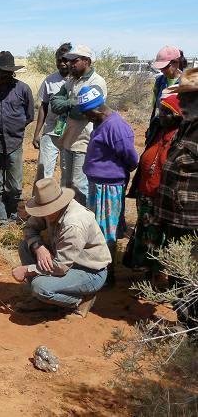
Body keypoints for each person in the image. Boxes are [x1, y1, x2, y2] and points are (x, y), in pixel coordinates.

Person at [12, 178, 111, 318]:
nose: (44, 214)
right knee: (25, 247)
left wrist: (28, 270)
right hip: (64, 260)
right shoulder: (49, 210)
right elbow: (29, 228)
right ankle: (43, 300)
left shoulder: (74, 224)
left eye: (46, 210)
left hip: (89, 272)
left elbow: (60, 267)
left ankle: (80, 301)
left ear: (58, 204)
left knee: (40, 287)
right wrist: (38, 247)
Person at [78, 86, 138, 284]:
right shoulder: (101, 123)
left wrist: (115, 175)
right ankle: (100, 269)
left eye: (87, 114)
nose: (86, 118)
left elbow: (131, 159)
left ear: (96, 110)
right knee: (97, 229)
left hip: (109, 187)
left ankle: (107, 275)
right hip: (98, 184)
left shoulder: (116, 127)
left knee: (107, 231)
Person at [126, 93, 183, 287]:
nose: (161, 115)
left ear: (177, 115)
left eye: (166, 112)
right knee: (145, 235)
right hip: (146, 194)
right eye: (160, 111)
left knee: (162, 238)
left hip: (164, 198)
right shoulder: (157, 130)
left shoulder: (180, 137)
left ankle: (159, 277)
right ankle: (143, 276)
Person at [50, 44, 107, 205]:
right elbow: (54, 103)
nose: (69, 64)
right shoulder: (72, 80)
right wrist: (72, 103)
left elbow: (80, 111)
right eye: (69, 60)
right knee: (66, 183)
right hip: (68, 139)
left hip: (85, 142)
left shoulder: (97, 82)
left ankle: (81, 222)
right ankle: (66, 220)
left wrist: (68, 105)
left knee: (79, 185)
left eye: (74, 60)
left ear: (87, 61)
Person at [0, 50, 34, 225]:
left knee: (15, 184)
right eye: (0, 71)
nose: (4, 75)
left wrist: (16, 128)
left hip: (15, 142)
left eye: (7, 72)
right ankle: (2, 217)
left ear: (13, 72)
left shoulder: (23, 89)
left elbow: (29, 116)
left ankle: (14, 214)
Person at [154, 68, 198, 248]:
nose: (179, 100)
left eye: (186, 97)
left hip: (191, 219)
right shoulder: (187, 125)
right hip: (175, 216)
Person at [32, 43, 72, 183]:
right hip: (51, 130)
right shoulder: (50, 80)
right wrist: (37, 133)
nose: (61, 64)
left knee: (68, 175)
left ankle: (66, 204)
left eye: (65, 60)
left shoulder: (78, 80)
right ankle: (40, 203)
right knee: (44, 172)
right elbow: (43, 107)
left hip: (71, 133)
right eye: (58, 60)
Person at [146, 45, 186, 141]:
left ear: (176, 63)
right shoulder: (159, 81)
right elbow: (156, 107)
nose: (162, 70)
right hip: (162, 127)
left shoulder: (188, 83)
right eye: (161, 67)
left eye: (165, 67)